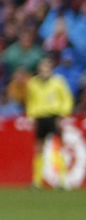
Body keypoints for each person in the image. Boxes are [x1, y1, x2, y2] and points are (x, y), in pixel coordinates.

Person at [26, 54, 75, 188]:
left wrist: (63, 114)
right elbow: (31, 101)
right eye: (42, 68)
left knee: (57, 147)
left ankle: (62, 180)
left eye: (47, 67)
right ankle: (37, 181)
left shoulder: (58, 82)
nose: (44, 70)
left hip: (54, 116)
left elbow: (67, 98)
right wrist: (32, 115)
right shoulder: (33, 83)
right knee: (39, 148)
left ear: (51, 69)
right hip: (40, 117)